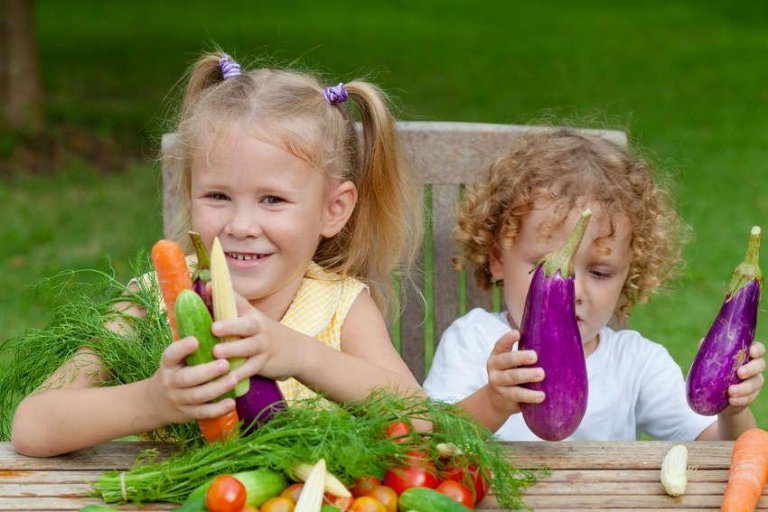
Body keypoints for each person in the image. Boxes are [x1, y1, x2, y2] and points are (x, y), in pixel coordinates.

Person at [11, 52, 423, 456]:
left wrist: (301, 355)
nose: (241, 225)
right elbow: (32, 426)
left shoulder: (340, 307)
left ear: (333, 210)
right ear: (189, 195)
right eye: (218, 196)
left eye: (273, 200)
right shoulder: (154, 301)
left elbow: (423, 421)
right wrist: (154, 401)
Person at [423, 129, 766, 441]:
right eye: (546, 271)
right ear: (498, 259)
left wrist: (732, 410)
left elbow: (721, 452)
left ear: (629, 275)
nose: (572, 293)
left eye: (600, 273)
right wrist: (492, 402)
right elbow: (430, 443)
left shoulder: (636, 363)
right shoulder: (472, 341)